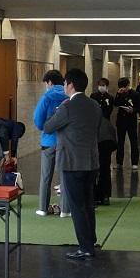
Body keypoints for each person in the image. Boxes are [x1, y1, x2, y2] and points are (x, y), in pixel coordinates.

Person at [44, 68, 102, 260]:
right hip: (91, 161)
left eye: (65, 83)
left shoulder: (67, 106)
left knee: (77, 206)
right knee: (88, 203)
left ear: (70, 85)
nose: (64, 86)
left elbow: (48, 127)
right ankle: (90, 240)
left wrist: (57, 110)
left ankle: (85, 247)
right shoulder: (95, 105)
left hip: (72, 163)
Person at [34, 69, 70, 217]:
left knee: (46, 176)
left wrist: (45, 128)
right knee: (65, 175)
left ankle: (43, 208)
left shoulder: (47, 96)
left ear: (49, 82)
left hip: (48, 141)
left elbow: (38, 119)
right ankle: (65, 210)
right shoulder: (69, 96)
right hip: (65, 141)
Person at [114, 77, 140, 171]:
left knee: (133, 142)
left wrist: (133, 110)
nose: (123, 89)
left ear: (128, 85)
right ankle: (119, 162)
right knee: (120, 142)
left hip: (131, 121)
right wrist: (118, 94)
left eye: (124, 87)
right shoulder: (119, 93)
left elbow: (139, 107)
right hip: (121, 121)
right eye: (121, 87)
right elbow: (115, 103)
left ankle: (134, 163)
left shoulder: (135, 94)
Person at [95, 116, 117, 205]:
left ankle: (95, 196)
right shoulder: (103, 119)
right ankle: (105, 196)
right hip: (109, 141)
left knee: (93, 170)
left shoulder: (86, 118)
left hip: (99, 141)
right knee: (105, 169)